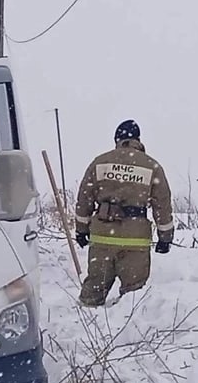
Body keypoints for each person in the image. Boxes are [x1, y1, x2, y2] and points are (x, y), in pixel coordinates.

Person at [72, 119, 175, 307]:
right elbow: (163, 205)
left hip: (102, 238)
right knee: (133, 299)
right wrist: (165, 238)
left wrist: (81, 229)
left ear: (117, 139)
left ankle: (86, 329)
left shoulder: (100, 162)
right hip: (135, 240)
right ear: (138, 140)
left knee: (92, 294)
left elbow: (84, 199)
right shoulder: (152, 166)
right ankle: (131, 334)